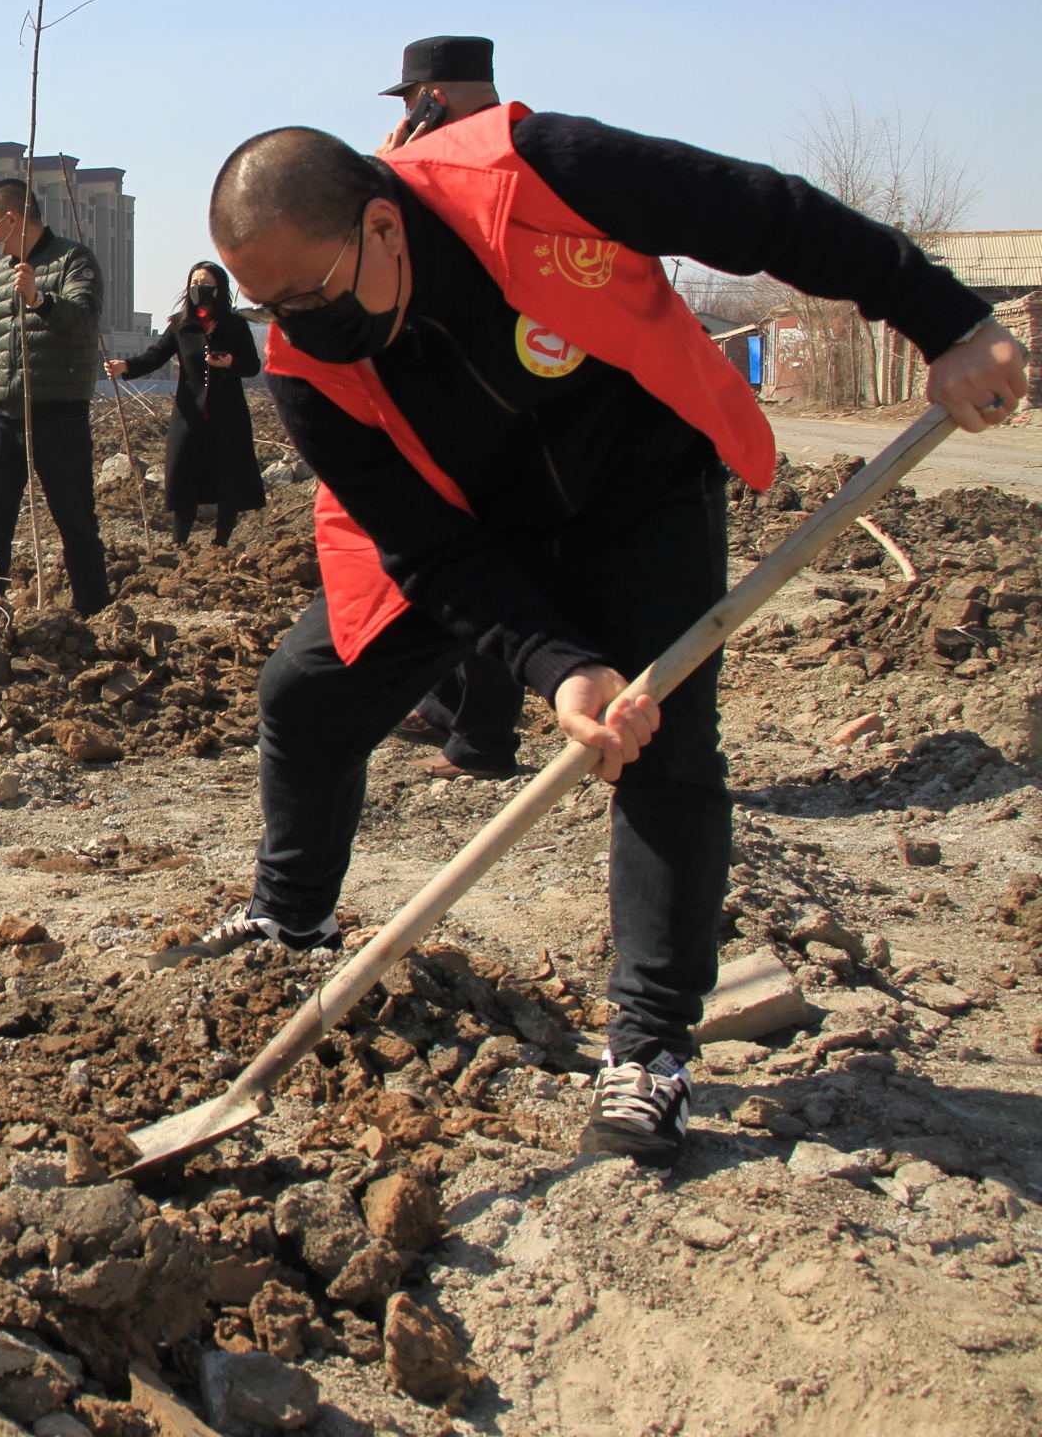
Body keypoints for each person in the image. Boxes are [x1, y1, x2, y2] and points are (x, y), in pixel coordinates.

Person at [198, 110, 1029, 1166]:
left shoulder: (538, 177)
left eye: (314, 295)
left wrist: (946, 320)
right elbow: (424, 550)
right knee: (306, 695)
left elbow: (764, 215)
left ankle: (651, 1051)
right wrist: (559, 667)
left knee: (666, 747)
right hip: (470, 524)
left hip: (636, 491)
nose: (301, 328)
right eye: (273, 307)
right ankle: (291, 923)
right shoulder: (310, 365)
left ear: (384, 224)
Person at [378, 35, 523, 778]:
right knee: (436, 574)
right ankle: (445, 710)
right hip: (464, 402)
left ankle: (483, 740)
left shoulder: (484, 163)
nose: (406, 115)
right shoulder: (484, 157)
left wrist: (386, 173)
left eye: (411, 100)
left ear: (435, 97)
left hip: (489, 409)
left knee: (478, 575)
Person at [0, 178, 110, 614]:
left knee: (74, 519)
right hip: (1, 415)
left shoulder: (73, 260)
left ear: (12, 218)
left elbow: (84, 322)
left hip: (57, 413)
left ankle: (94, 611)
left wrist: (39, 298)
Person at [106, 262, 265, 547]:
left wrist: (230, 363)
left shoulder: (236, 325)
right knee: (183, 477)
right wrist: (125, 366)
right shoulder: (180, 325)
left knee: (227, 478)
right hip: (189, 415)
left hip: (227, 416)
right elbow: (155, 356)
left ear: (218, 289)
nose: (198, 289)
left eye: (205, 284)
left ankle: (221, 544)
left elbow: (253, 366)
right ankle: (179, 543)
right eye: (194, 284)